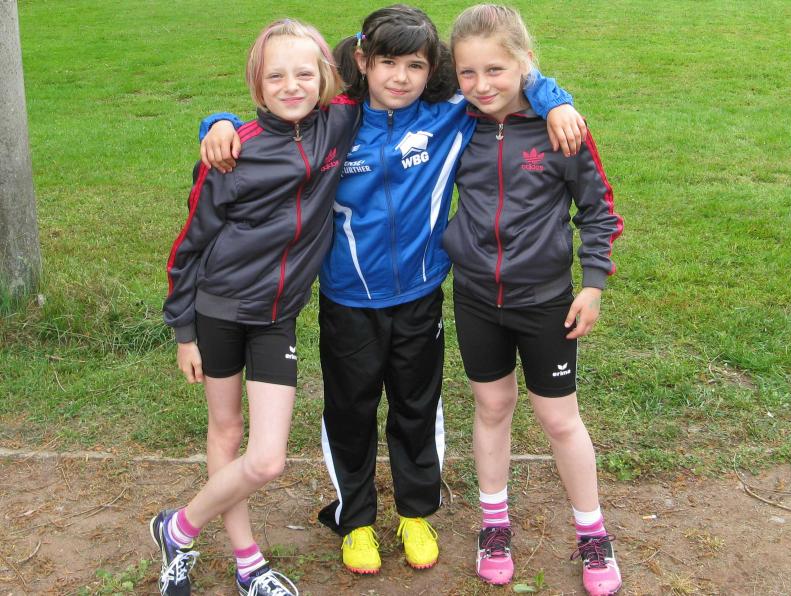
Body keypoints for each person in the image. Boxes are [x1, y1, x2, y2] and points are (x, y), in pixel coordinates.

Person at [198, 4, 585, 576]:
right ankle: (355, 521)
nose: (400, 77)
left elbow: (503, 77)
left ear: (432, 70)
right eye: (387, 63)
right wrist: (218, 122)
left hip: (420, 295)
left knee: (416, 407)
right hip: (347, 299)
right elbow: (278, 116)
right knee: (349, 412)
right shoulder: (334, 121)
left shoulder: (450, 115)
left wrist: (557, 100)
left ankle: (415, 513)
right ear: (362, 61)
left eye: (415, 66)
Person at [156, 19, 359, 596]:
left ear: (325, 77)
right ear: (257, 84)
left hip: (276, 316)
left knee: (267, 459)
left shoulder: (339, 123)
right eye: (276, 76)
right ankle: (248, 562)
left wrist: (550, 98)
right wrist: (184, 332)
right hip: (218, 310)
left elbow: (382, 56)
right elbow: (189, 244)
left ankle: (177, 528)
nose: (291, 86)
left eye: (304, 73)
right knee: (226, 431)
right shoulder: (232, 152)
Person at [442, 5, 624, 594]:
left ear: (525, 62)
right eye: (467, 73)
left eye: (495, 69)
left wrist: (593, 283)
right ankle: (494, 525)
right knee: (492, 406)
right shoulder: (454, 123)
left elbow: (598, 210)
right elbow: (377, 76)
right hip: (475, 295)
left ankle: (593, 534)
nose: (481, 85)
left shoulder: (561, 129)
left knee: (558, 418)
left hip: (546, 301)